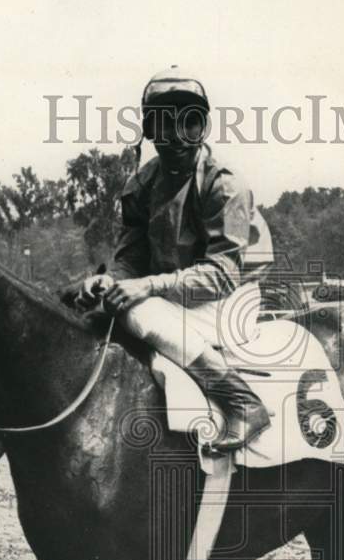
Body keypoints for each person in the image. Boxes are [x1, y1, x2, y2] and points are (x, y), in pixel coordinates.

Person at [77, 66, 272, 453]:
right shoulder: (142, 186)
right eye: (164, 125)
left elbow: (220, 275)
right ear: (149, 131)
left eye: (190, 123)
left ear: (203, 127)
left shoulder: (224, 184)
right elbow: (130, 259)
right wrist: (110, 281)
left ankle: (242, 403)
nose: (177, 137)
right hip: (176, 296)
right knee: (90, 302)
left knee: (138, 312)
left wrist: (146, 285)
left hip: (231, 296)